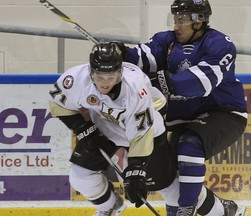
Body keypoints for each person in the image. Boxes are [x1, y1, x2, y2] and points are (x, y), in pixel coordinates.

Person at [115, 0, 248, 215]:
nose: (176, 25)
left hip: (223, 113)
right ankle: (225, 211)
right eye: (175, 19)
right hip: (183, 119)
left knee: (190, 146)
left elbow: (201, 82)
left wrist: (163, 81)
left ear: (199, 21)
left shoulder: (219, 44)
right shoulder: (165, 40)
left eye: (182, 20)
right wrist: (120, 53)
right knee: (176, 178)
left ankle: (185, 211)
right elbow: (142, 57)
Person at [48, 42, 178, 216]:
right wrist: (82, 128)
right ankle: (110, 207)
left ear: (120, 72)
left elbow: (141, 134)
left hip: (149, 132)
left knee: (171, 192)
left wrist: (135, 170)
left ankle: (215, 210)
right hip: (106, 128)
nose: (105, 83)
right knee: (80, 177)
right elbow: (58, 103)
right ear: (91, 72)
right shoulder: (76, 79)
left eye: (111, 77)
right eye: (100, 77)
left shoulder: (134, 89)